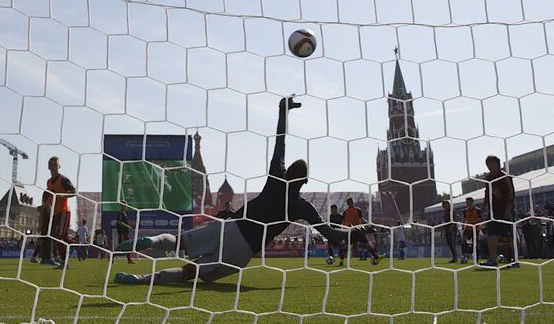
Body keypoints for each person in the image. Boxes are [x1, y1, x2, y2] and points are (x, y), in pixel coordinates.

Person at [114, 96, 374, 285]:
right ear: (305, 182)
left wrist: (283, 111)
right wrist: (363, 229)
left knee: (180, 241)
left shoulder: (276, 178)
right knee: (190, 274)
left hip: (231, 226)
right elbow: (333, 235)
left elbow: (280, 141)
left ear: (287, 171)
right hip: (244, 248)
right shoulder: (302, 206)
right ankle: (138, 279)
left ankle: (145, 242)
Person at [480, 155, 517, 268]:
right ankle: (492, 259)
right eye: (487, 164)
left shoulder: (505, 177)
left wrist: (508, 209)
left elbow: (511, 193)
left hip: (505, 210)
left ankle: (515, 260)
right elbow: (487, 194)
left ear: (497, 164)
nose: (489, 166)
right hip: (493, 212)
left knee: (509, 236)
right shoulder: (488, 178)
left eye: (491, 163)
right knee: (492, 234)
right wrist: (483, 207)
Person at [44, 156, 76, 269]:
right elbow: (49, 197)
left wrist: (63, 195)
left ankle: (64, 262)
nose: (53, 167)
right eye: (51, 165)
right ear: (48, 167)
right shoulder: (49, 182)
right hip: (55, 213)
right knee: (63, 237)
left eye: (55, 165)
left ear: (59, 166)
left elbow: (74, 192)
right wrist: (47, 206)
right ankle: (81, 246)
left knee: (58, 237)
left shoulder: (63, 179)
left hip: (63, 211)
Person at [342, 197, 382, 264]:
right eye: (350, 202)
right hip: (357, 230)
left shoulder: (345, 212)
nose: (350, 203)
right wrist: (368, 224)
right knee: (366, 244)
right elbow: (362, 220)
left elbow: (344, 223)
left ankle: (341, 261)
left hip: (351, 231)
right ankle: (376, 257)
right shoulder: (357, 210)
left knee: (347, 246)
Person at [461, 198, 482, 263]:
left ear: (472, 202)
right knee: (463, 240)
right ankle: (465, 255)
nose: (468, 204)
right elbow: (464, 219)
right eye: (467, 202)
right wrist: (463, 225)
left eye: (469, 202)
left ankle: (476, 258)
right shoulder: (465, 211)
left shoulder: (478, 210)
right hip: (468, 228)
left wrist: (476, 222)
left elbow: (481, 219)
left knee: (475, 244)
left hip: (475, 229)